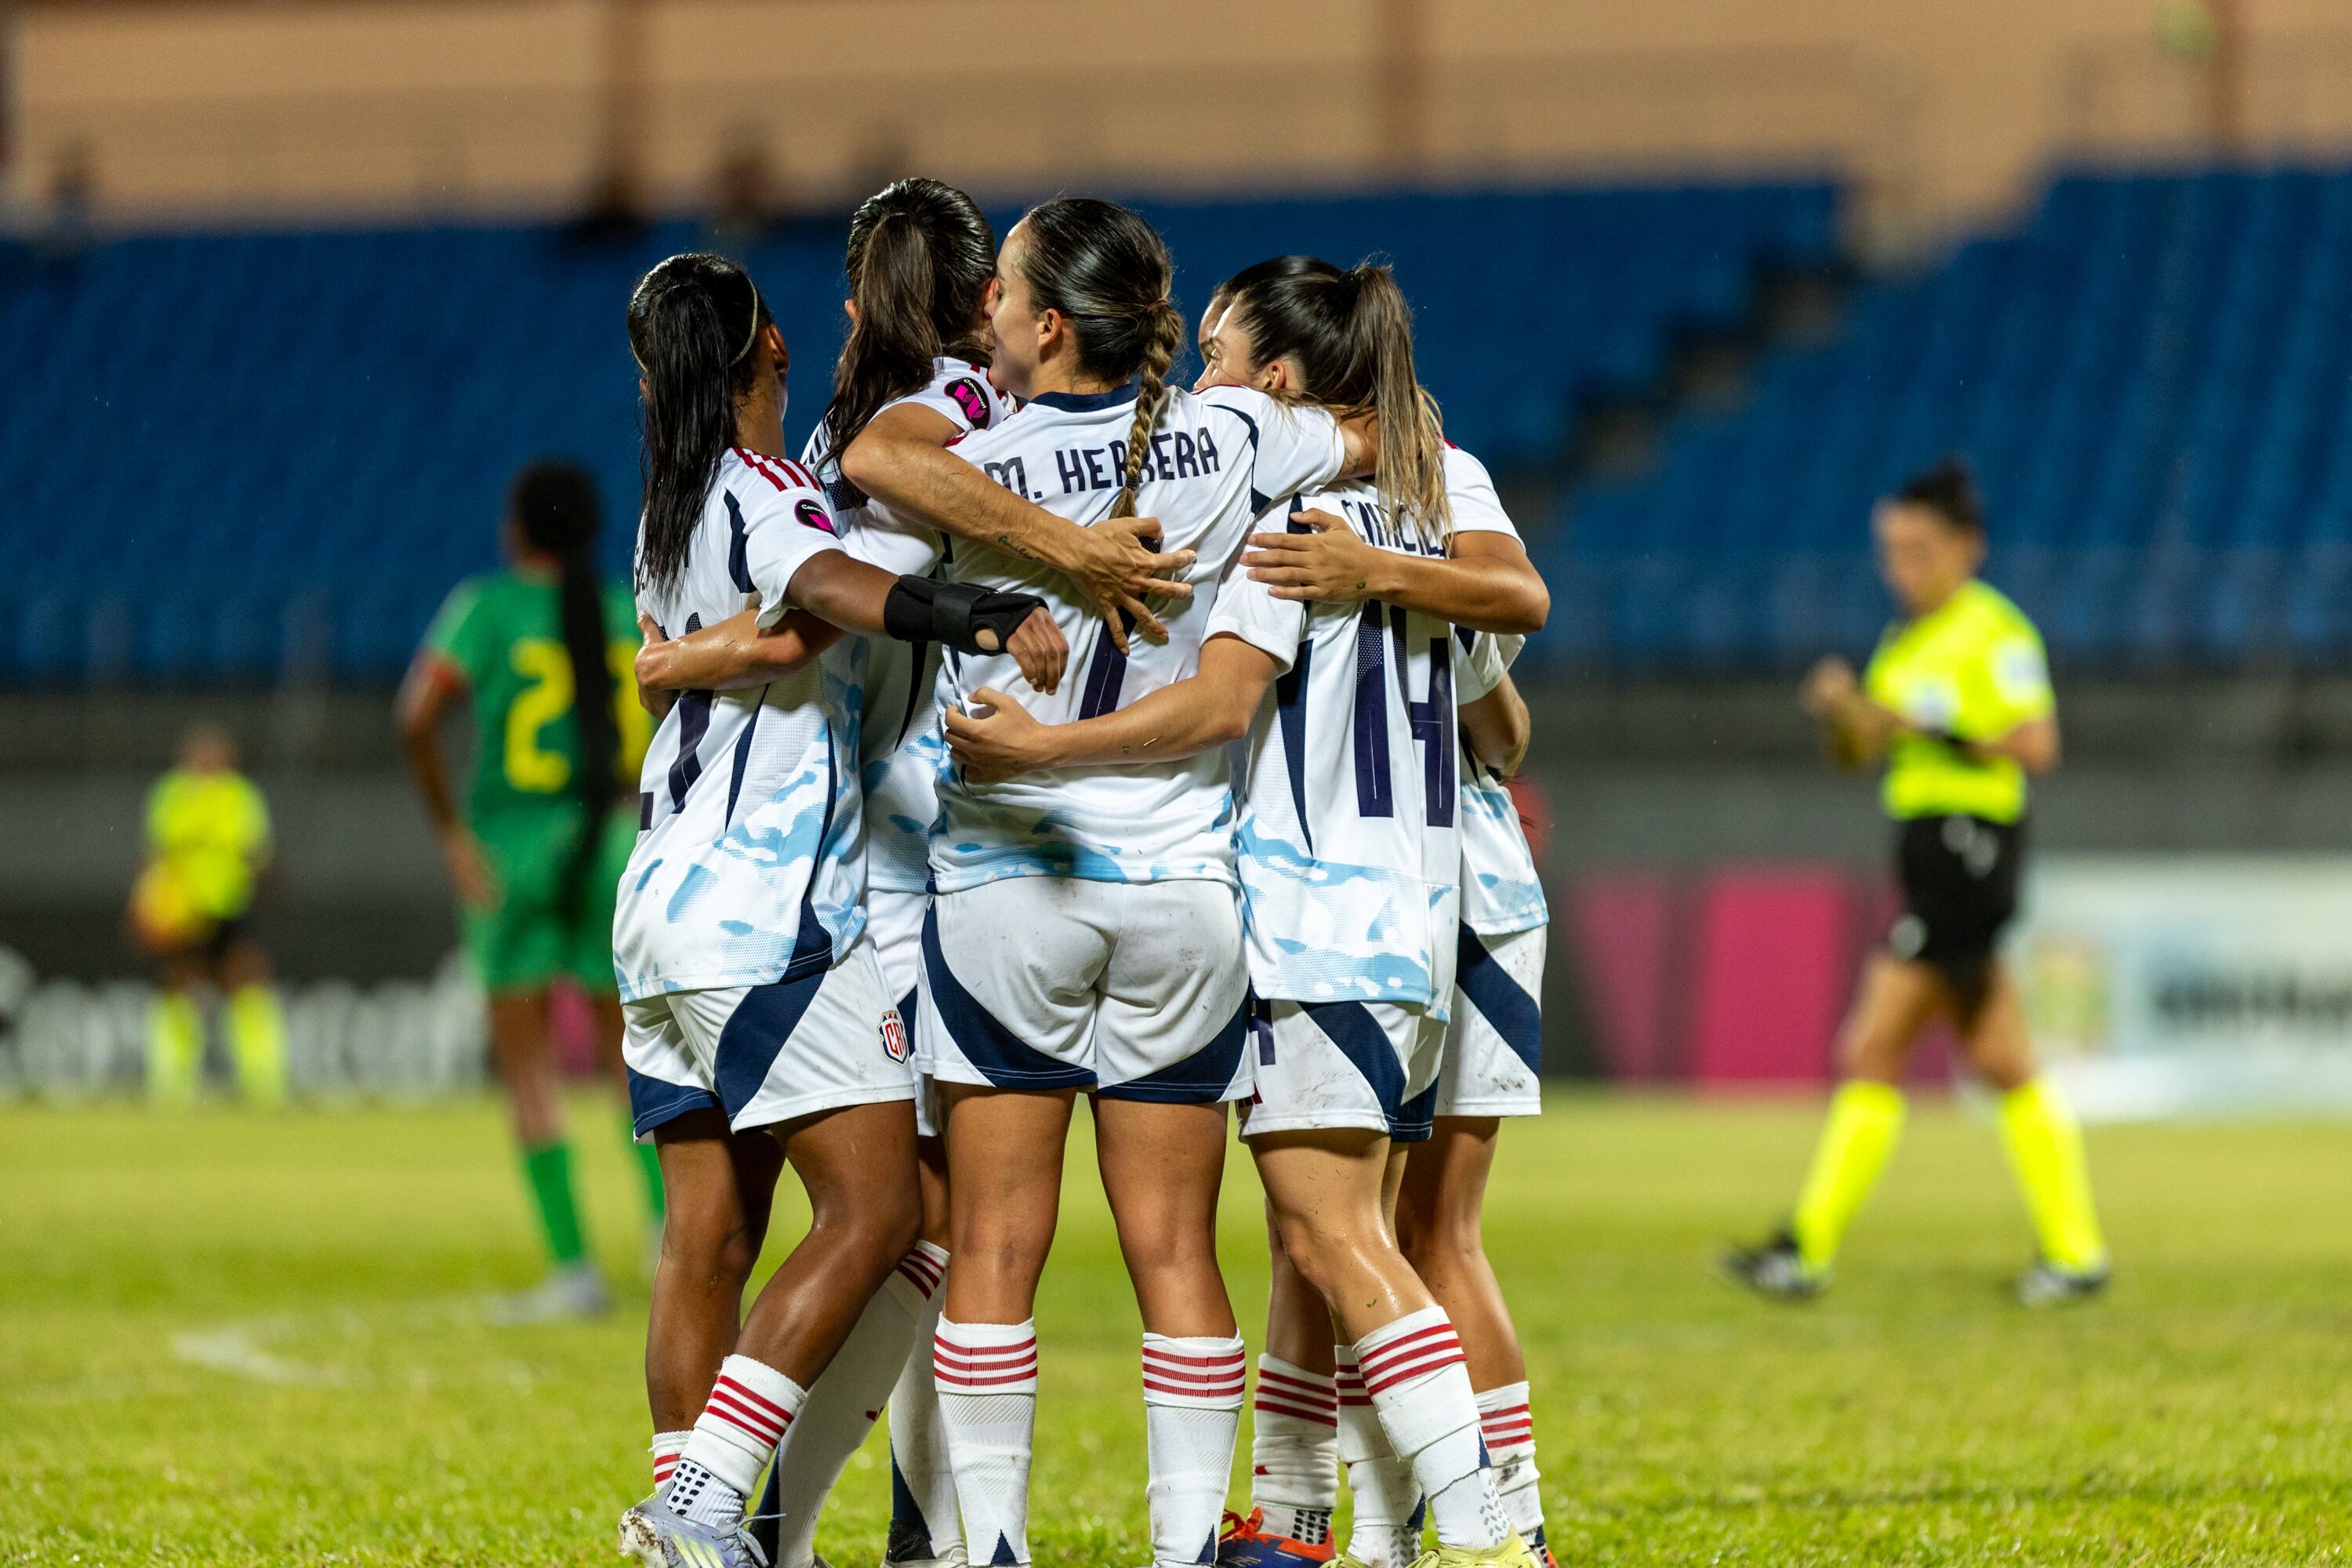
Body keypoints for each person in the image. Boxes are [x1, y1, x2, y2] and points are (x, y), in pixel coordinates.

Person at [943, 252, 1544, 1568]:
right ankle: (1327, 1529)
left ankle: (1490, 1533)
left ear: (1275, 379)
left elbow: (1221, 704)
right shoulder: (1426, 497)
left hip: (1315, 912)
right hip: (1412, 909)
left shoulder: (1284, 529)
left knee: (1343, 1235)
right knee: (1333, 1236)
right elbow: (1503, 700)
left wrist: (1043, 749)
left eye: (1216, 355)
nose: (1197, 380)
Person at [626, 177, 1190, 1568]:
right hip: (882, 875)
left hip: (710, 880)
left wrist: (683, 657)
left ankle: (770, 1519)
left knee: (730, 1236)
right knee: (918, 1222)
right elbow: (829, 591)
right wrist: (1023, 584)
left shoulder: (777, 455)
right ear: (979, 298)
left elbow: (779, 613)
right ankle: (814, 1522)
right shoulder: (952, 417)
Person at [893, 201, 1380, 1568]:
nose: (988, 308)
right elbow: (1367, 431)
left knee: (996, 1245)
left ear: (1050, 324)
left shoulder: (975, 468)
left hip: (1010, 879)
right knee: (1176, 1250)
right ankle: (1182, 1553)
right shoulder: (1231, 433)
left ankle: (994, 1548)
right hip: (1180, 887)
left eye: (1003, 289)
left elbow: (872, 491)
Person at [1723, 458, 2110, 1308]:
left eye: (1920, 551)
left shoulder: (1996, 633)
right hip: (1931, 856)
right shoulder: (1903, 640)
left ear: (1969, 547)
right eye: (1892, 552)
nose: (1903, 569)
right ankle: (2077, 1253)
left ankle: (1805, 1248)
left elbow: (2037, 743)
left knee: (1871, 1047)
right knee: (2003, 1058)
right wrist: (1844, 716)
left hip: (1973, 851)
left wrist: (1924, 724)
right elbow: (1860, 754)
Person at [398, 460, 661, 1322]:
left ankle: (574, 1271)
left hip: (509, 854)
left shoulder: (488, 608)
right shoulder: (623, 608)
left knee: (530, 1072)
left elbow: (416, 715)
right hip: (613, 845)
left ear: (517, 529)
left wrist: (450, 835)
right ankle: (671, 1242)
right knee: (637, 1065)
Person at [132, 723, 285, 1108]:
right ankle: (171, 1083)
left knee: (247, 981)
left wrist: (262, 896)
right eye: (202, 754)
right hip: (182, 911)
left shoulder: (240, 795)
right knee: (178, 985)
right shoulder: (171, 795)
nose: (209, 761)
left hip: (228, 907)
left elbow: (256, 856)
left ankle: (263, 1080)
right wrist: (145, 904)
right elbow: (156, 855)